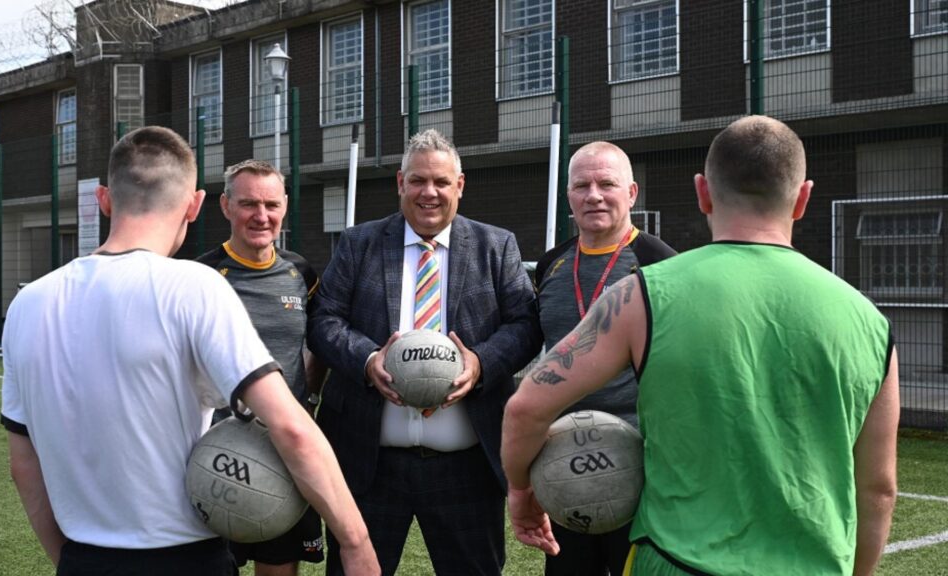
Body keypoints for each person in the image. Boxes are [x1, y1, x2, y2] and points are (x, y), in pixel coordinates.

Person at [503, 116, 899, 576]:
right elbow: (879, 491)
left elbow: (524, 408)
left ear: (702, 192)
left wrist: (521, 491)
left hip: (675, 560)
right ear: (803, 198)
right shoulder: (869, 321)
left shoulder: (645, 293)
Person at [0, 126, 379, 576]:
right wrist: (355, 541)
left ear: (105, 199)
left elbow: (23, 464)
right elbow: (290, 427)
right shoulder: (193, 284)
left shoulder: (28, 302)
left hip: (83, 557)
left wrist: (69, 559)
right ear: (197, 205)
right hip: (185, 556)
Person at [307, 128, 541, 575]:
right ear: (400, 183)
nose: (428, 192)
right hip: (370, 463)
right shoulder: (359, 244)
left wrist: (480, 363)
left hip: (467, 467)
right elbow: (323, 320)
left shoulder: (497, 245)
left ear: (460, 185)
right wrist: (367, 359)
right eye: (417, 180)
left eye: (440, 181)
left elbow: (525, 324)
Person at [533, 141, 676, 576]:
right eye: (582, 185)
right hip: (564, 461)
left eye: (606, 183)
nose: (593, 194)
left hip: (641, 463)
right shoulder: (551, 265)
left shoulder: (661, 264)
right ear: (569, 197)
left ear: (631, 193)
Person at [196, 159, 325, 576]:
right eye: (249, 203)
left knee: (279, 568)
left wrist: (304, 400)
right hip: (214, 453)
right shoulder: (200, 276)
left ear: (285, 205)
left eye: (271, 204)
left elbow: (319, 344)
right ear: (225, 206)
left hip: (282, 451)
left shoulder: (301, 272)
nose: (261, 215)